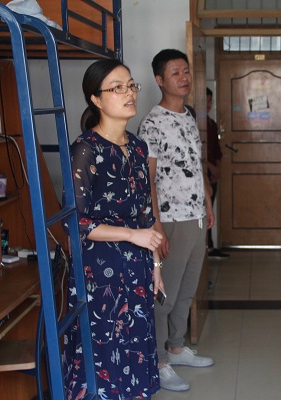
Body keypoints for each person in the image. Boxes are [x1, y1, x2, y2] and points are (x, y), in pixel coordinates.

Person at [62, 59, 165, 399]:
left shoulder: (137, 147)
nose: (129, 93)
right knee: (103, 351)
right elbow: (75, 223)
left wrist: (155, 265)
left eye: (131, 85)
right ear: (96, 99)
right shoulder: (85, 150)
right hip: (99, 274)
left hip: (137, 268)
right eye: (117, 88)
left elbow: (146, 214)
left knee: (135, 348)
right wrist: (132, 235)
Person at [138, 49, 215, 393]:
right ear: (159, 80)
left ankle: (177, 347)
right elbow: (148, 180)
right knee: (164, 296)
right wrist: (156, 226)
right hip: (170, 219)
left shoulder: (189, 115)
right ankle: (159, 363)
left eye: (186, 71)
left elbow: (197, 165)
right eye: (175, 73)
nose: (183, 78)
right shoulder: (152, 123)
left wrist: (208, 203)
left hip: (196, 216)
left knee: (187, 291)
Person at [205, 87, 229, 259]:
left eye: (210, 101)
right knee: (205, 211)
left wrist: (217, 169)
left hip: (212, 173)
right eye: (206, 100)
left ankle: (210, 246)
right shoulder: (197, 124)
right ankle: (207, 247)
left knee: (210, 210)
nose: (208, 104)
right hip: (204, 172)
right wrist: (210, 168)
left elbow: (217, 151)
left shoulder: (211, 124)